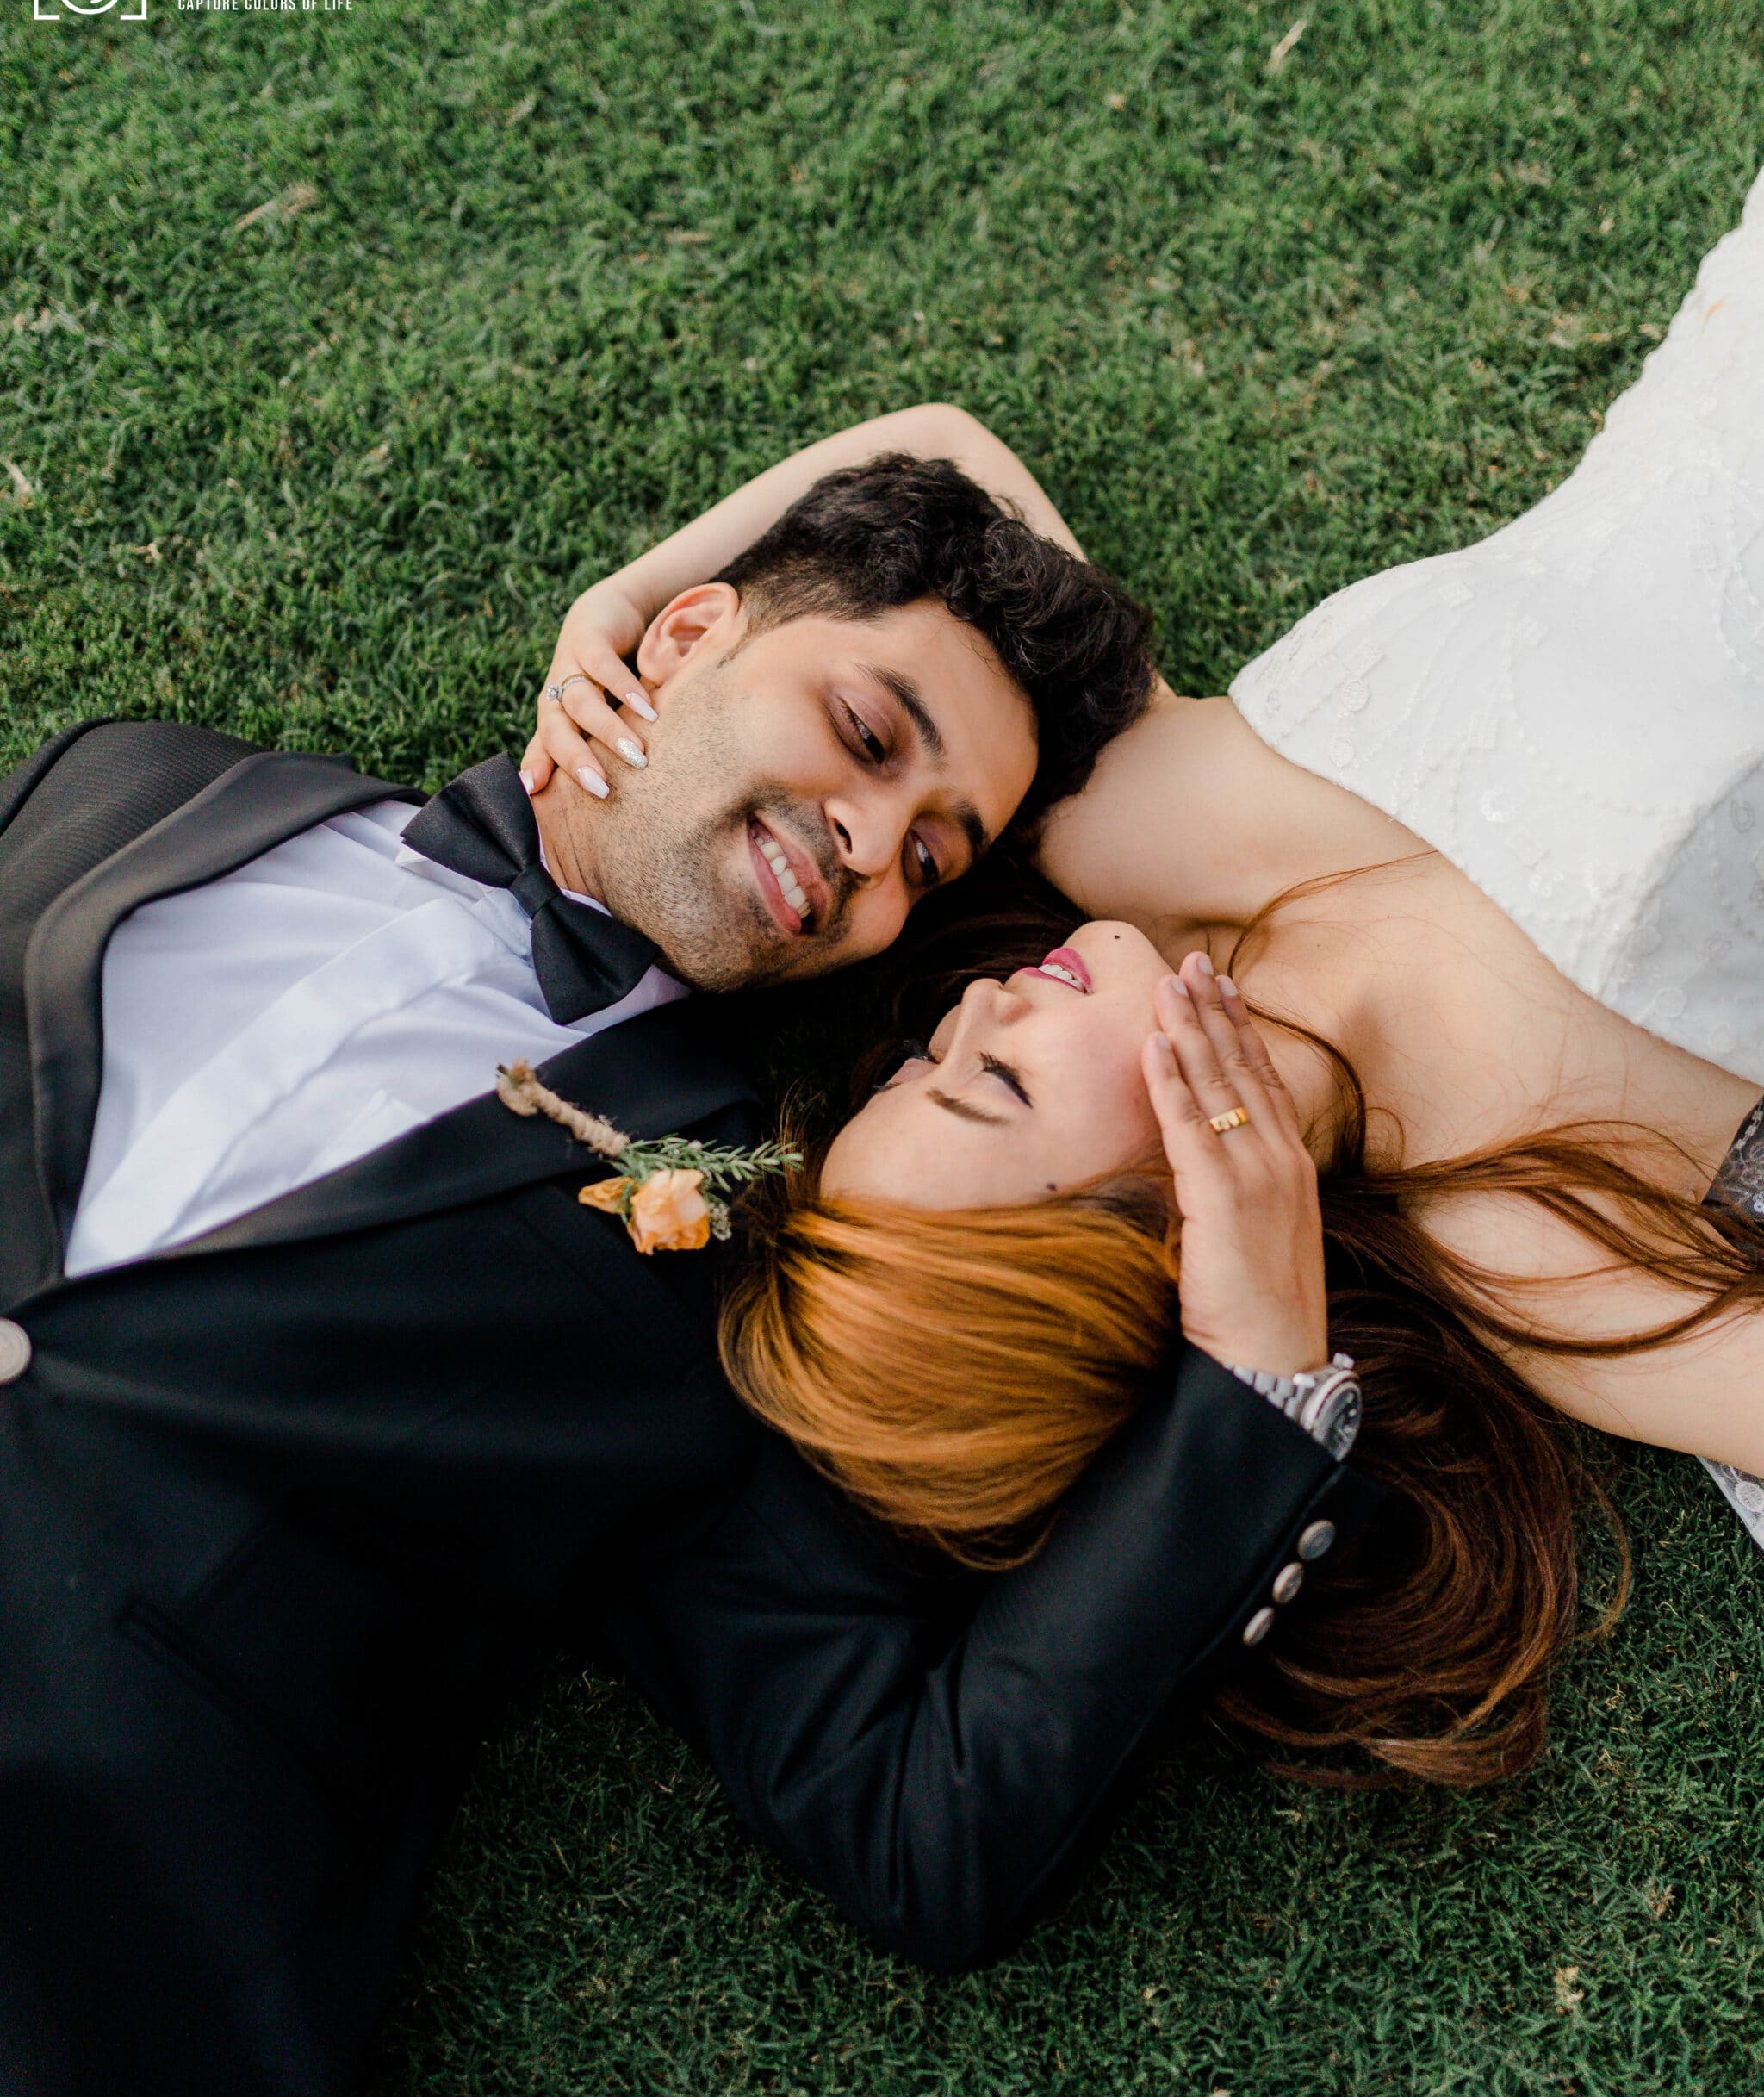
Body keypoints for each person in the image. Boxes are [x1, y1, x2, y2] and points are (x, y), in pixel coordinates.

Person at [0, 455, 1375, 2097]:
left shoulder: (711, 1276)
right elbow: (946, 441)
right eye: (866, 735)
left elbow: (923, 1826)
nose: (872, 844)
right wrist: (627, 588)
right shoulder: (124, 783)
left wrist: (1256, 1372)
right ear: (688, 636)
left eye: (932, 863)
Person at [527, 165, 1764, 1801]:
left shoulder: (1125, 822)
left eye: (921, 1060)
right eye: (993, 1081)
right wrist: (1254, 1334)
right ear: (1161, 1224)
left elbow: (951, 462)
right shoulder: (1533, 1241)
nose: (970, 1004)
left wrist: (627, 613)